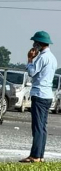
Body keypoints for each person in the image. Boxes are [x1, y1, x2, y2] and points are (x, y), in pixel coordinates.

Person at [20, 30, 57, 163]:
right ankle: (39, 155)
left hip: (39, 94)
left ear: (40, 44)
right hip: (47, 95)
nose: (34, 45)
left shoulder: (42, 57)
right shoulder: (53, 58)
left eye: (35, 43)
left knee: (37, 126)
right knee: (42, 126)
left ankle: (35, 155)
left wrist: (30, 59)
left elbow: (31, 72)